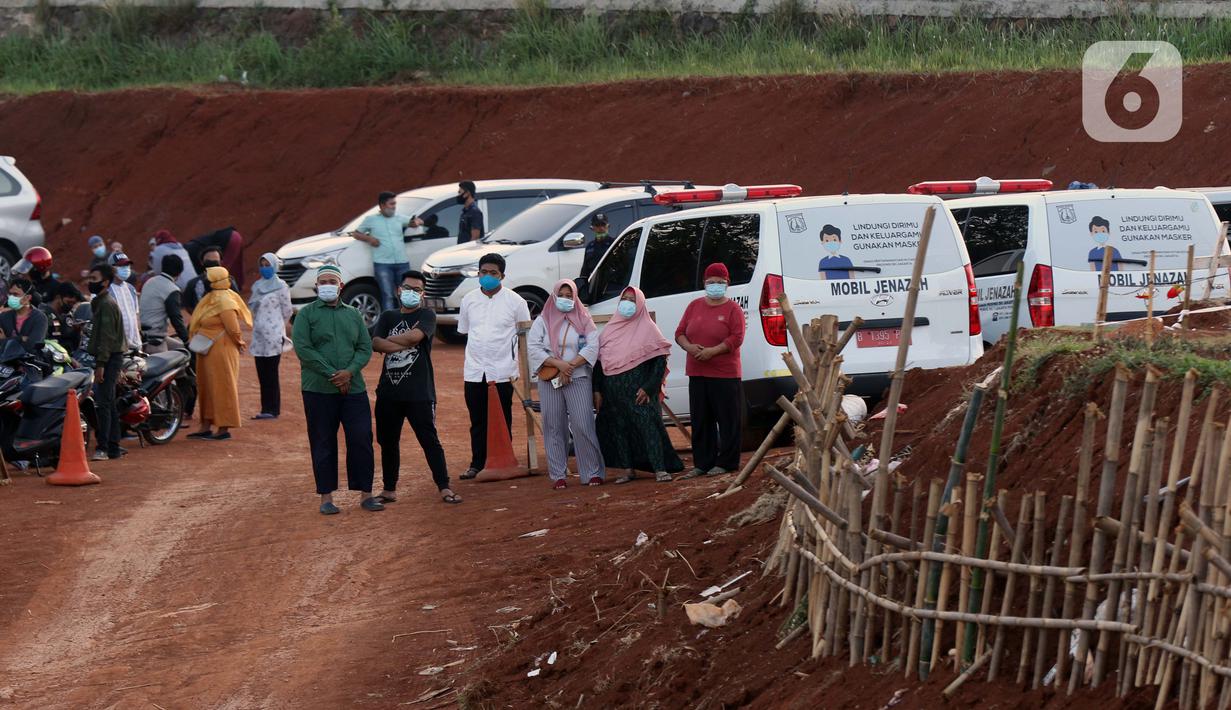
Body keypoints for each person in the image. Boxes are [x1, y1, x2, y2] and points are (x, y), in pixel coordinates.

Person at [292, 264, 382, 514]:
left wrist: (349, 372)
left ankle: (366, 494)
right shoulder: (306, 314)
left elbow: (364, 347)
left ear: (341, 286)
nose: (328, 285)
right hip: (318, 389)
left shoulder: (353, 314)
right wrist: (333, 374)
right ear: (317, 286)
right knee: (322, 442)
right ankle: (326, 497)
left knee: (362, 438)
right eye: (324, 282)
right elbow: (304, 349)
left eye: (333, 281)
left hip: (353, 389)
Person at [371, 270, 458, 504]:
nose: (411, 293)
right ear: (399, 290)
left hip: (419, 392)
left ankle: (444, 487)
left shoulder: (427, 315)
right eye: (408, 288)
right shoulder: (388, 316)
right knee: (388, 442)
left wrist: (391, 342)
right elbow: (375, 343)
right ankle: (389, 489)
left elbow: (412, 339)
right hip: (389, 392)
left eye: (417, 290)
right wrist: (402, 340)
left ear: (423, 294)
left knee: (429, 440)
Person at [595, 286, 683, 484]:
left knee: (649, 429)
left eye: (632, 300)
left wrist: (649, 388)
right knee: (619, 430)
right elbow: (600, 364)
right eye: (624, 299)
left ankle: (660, 469)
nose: (627, 303)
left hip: (639, 393)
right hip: (613, 394)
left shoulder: (648, 328)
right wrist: (597, 390)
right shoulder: (610, 330)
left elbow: (660, 361)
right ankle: (627, 470)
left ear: (640, 304)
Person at [456, 253, 530, 480]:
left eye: (493, 273)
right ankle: (477, 464)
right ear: (478, 273)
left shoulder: (516, 302)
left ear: (502, 276)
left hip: (502, 370)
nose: (487, 277)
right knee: (477, 420)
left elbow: (525, 336)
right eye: (484, 272)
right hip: (475, 370)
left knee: (502, 417)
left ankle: (503, 462)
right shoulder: (468, 299)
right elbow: (466, 331)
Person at [527, 279, 603, 489]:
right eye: (562, 295)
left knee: (583, 423)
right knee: (553, 425)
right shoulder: (543, 319)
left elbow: (593, 344)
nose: (566, 299)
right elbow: (533, 347)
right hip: (551, 378)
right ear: (554, 296)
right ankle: (558, 474)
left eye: (570, 296)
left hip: (578, 376)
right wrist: (559, 365)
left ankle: (592, 472)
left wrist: (570, 366)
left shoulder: (584, 318)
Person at [675, 262, 745, 479]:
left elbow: (736, 337)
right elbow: (680, 332)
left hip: (724, 373)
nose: (715, 286)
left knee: (727, 419)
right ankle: (702, 463)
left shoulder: (733, 309)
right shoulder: (694, 306)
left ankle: (727, 462)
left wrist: (713, 351)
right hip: (697, 372)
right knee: (700, 420)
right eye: (711, 282)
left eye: (720, 282)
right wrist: (688, 346)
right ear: (704, 283)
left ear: (727, 284)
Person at [185, 267, 250, 441]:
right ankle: (205, 425)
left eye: (210, 277)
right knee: (206, 387)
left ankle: (223, 428)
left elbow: (233, 328)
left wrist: (239, 342)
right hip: (206, 349)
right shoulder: (210, 298)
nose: (206, 280)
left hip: (222, 349)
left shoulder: (225, 301)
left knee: (223, 387)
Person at [86, 264, 126, 461]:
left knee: (103, 402)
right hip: (108, 357)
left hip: (110, 358)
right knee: (108, 401)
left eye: (94, 279)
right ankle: (114, 446)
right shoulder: (100, 302)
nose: (90, 283)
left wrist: (101, 364)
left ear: (105, 282)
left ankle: (104, 447)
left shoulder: (106, 304)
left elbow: (107, 337)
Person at [349, 191, 411, 312]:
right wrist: (369, 238)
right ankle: (389, 324)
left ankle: (407, 320)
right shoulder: (371, 220)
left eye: (395, 203)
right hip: (383, 264)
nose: (394, 206)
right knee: (387, 295)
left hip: (402, 262)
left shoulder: (400, 218)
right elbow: (356, 233)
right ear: (382, 205)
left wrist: (417, 222)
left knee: (406, 294)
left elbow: (414, 222)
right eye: (391, 204)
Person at [248, 252, 293, 420]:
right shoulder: (256, 286)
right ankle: (265, 408)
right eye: (262, 265)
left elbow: (287, 310)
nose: (265, 268)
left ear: (274, 266)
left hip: (273, 337)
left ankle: (273, 409)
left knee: (271, 374)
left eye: (268, 265)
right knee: (262, 373)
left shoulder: (281, 286)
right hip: (259, 337)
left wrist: (276, 326)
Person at [139, 254, 190, 353]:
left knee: (182, 350)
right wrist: (187, 339)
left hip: (145, 336)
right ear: (180, 272)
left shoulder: (150, 281)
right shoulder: (172, 289)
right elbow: (176, 318)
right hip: (156, 340)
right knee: (183, 356)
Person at [182, 246, 238, 313]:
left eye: (215, 262)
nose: (212, 265)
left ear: (221, 262)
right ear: (201, 262)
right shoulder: (193, 283)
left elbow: (236, 300)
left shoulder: (229, 280)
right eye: (209, 262)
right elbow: (188, 305)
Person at [0, 278, 49, 354]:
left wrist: (7, 340)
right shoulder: (4, 316)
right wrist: (22, 338)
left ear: (27, 297)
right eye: (10, 294)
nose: (11, 297)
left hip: (29, 363)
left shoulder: (40, 318)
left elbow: (33, 345)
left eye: (15, 294)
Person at [107, 252, 142, 349]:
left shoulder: (131, 288)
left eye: (127, 265)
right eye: (121, 266)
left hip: (135, 344)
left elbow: (136, 316)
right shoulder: (105, 290)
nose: (126, 268)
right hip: (117, 347)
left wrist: (139, 340)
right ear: (111, 268)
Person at [46, 282, 86, 352]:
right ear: (58, 297)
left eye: (74, 303)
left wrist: (77, 331)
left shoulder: (67, 316)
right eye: (69, 302)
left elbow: (72, 343)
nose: (71, 306)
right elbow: (49, 341)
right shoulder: (44, 314)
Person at [579, 212, 614, 281]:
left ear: (608, 226)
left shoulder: (614, 243)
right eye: (597, 225)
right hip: (594, 284)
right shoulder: (590, 247)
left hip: (611, 283)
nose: (601, 228)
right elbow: (585, 270)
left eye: (603, 225)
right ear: (592, 228)